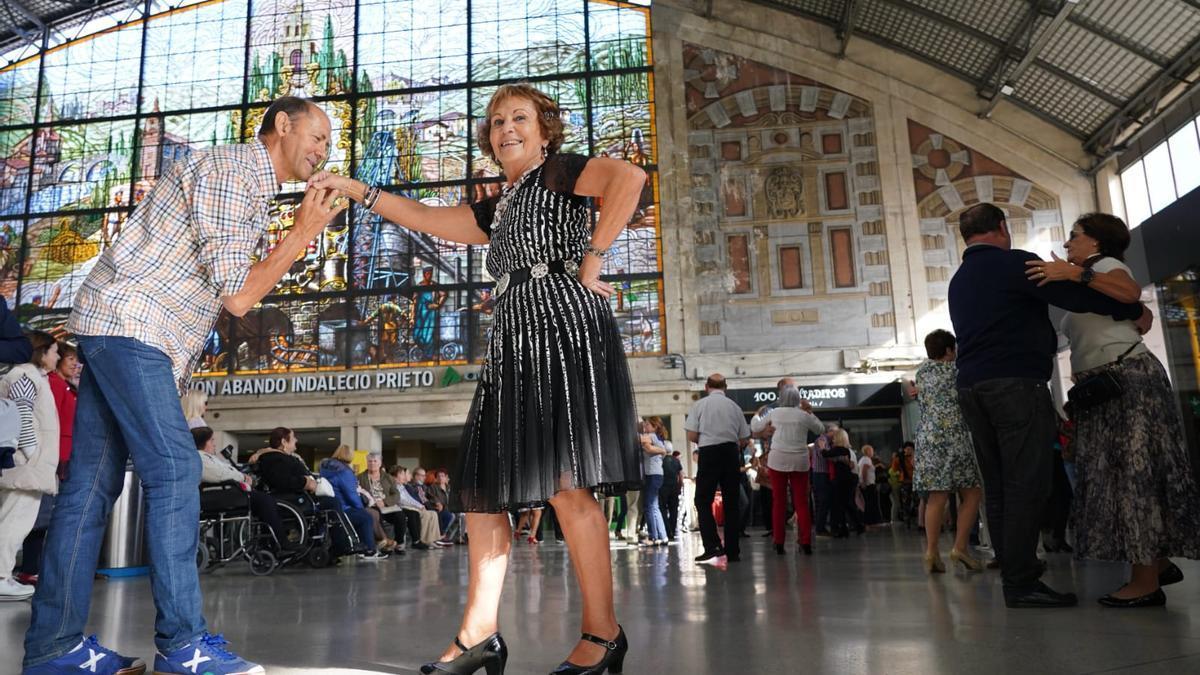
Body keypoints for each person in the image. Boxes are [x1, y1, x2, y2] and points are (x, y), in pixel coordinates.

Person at [312, 82, 645, 674]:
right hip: (514, 337)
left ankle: (603, 633)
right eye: (496, 122)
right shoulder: (503, 203)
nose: (506, 129)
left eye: (520, 117)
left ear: (545, 128)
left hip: (561, 322)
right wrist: (357, 188)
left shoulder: (560, 172)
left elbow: (630, 180)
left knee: (568, 486)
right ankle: (478, 635)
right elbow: (425, 217)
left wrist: (593, 259)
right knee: (482, 494)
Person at [22, 95, 345, 675]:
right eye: (318, 135)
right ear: (281, 125)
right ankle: (183, 645)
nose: (324, 150)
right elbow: (239, 297)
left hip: (122, 328)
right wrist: (303, 232)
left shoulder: (246, 188)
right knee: (174, 468)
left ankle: (54, 648)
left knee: (89, 489)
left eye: (328, 142)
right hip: (132, 326)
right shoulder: (231, 173)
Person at [948, 202, 1147, 610]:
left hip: (971, 388)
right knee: (1028, 481)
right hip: (1015, 385)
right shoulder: (1016, 263)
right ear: (1002, 228)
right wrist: (1131, 308)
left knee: (999, 485)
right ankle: (1021, 583)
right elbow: (1080, 297)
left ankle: (1014, 572)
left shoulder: (959, 279)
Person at [1026, 212, 1200, 607]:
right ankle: (1156, 561)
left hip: (1125, 382)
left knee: (1134, 476)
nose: (1068, 244)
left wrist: (1074, 275)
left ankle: (1145, 580)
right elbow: (1140, 315)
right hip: (1109, 386)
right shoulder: (1093, 280)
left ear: (1096, 242)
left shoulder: (1105, 266)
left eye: (1075, 236)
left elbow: (1129, 291)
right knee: (1126, 474)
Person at [912, 329, 984, 574]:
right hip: (953, 435)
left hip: (927, 438)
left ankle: (932, 552)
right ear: (949, 350)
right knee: (972, 492)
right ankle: (960, 548)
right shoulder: (957, 372)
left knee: (936, 497)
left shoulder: (921, 373)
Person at [0, 332, 60, 601]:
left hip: (27, 465)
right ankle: (1, 577)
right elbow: (22, 414)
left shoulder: (31, 377)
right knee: (14, 521)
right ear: (42, 351)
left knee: (13, 520)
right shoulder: (26, 375)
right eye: (55, 351)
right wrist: (33, 454)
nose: (57, 357)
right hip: (27, 467)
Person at [15, 341, 78, 585]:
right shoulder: (52, 384)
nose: (74, 363)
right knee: (41, 514)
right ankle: (30, 567)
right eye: (68, 358)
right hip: (56, 455)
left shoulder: (67, 387)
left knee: (47, 514)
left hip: (64, 454)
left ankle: (36, 567)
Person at [750, 386, 823, 556]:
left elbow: (755, 426)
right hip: (800, 460)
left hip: (778, 459)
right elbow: (820, 429)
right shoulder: (803, 415)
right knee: (802, 503)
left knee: (779, 502)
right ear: (798, 399)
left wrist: (756, 413)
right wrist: (810, 411)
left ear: (781, 398)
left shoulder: (774, 413)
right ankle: (805, 542)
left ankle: (779, 542)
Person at [686, 374, 751, 563]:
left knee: (702, 500)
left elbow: (691, 435)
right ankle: (733, 551)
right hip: (730, 453)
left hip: (708, 452)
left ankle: (713, 545)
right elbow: (744, 437)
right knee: (732, 503)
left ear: (706, 387)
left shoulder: (699, 405)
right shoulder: (734, 407)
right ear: (726, 387)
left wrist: (707, 439)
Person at [192, 427, 290, 551]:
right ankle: (280, 542)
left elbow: (224, 471)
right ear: (203, 442)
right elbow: (219, 474)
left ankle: (272, 542)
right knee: (265, 501)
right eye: (211, 440)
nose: (214, 443)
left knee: (265, 501)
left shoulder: (207, 457)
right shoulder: (199, 458)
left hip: (225, 493)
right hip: (218, 496)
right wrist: (242, 477)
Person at [319, 445, 386, 560]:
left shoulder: (325, 468)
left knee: (367, 515)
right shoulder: (344, 471)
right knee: (366, 517)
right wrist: (360, 508)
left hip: (330, 506)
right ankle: (369, 550)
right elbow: (351, 495)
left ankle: (372, 545)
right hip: (343, 508)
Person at [358, 454, 412, 553]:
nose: (372, 463)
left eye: (375, 461)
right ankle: (385, 544)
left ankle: (399, 543)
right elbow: (358, 492)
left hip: (387, 506)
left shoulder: (388, 477)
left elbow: (396, 494)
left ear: (380, 463)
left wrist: (384, 502)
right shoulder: (360, 477)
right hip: (372, 506)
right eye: (370, 461)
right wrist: (370, 502)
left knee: (400, 517)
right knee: (377, 516)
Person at [822, 429, 864, 538]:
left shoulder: (838, 449)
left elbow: (826, 454)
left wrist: (822, 447)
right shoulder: (846, 450)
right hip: (848, 479)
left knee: (841, 504)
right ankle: (857, 526)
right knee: (848, 503)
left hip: (842, 480)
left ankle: (846, 529)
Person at [392, 466, 439, 550]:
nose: (405, 476)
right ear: (395, 476)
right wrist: (419, 506)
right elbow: (402, 500)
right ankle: (423, 540)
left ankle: (432, 539)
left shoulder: (402, 486)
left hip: (411, 506)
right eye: (403, 474)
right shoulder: (396, 486)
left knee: (433, 513)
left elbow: (410, 499)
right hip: (403, 507)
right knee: (424, 514)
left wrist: (420, 506)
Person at [639, 420, 669, 546]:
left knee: (649, 506)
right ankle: (663, 536)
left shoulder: (651, 436)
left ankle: (653, 537)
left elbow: (647, 447)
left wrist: (662, 451)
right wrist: (662, 450)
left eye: (647, 424)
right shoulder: (659, 438)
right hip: (658, 474)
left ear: (654, 426)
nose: (645, 426)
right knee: (654, 507)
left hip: (652, 474)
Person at [857, 445, 883, 527]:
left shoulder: (862, 460)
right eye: (871, 450)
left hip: (865, 483)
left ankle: (869, 521)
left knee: (868, 502)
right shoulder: (867, 459)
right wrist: (864, 482)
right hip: (869, 484)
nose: (872, 452)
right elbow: (865, 470)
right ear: (867, 451)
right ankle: (872, 521)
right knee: (871, 503)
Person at [661, 450, 683, 540]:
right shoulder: (676, 461)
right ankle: (672, 531)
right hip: (674, 488)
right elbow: (680, 475)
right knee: (674, 510)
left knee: (663, 509)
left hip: (663, 487)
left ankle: (666, 530)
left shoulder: (661, 460)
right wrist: (680, 486)